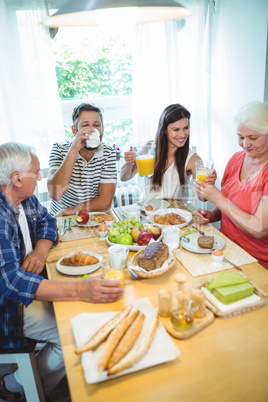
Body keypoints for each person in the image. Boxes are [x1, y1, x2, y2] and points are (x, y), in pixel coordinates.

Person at [0, 142, 124, 401]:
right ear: (17, 178)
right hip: (9, 306)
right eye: (36, 172)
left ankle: (28, 385)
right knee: (73, 332)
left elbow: (48, 220)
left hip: (32, 283)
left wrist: (41, 251)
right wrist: (80, 290)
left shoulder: (24, 197)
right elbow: (11, 283)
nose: (40, 176)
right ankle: (21, 388)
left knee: (81, 314)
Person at [194, 101, 268, 268]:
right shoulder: (236, 159)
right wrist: (212, 215)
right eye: (240, 137)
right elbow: (232, 206)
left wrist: (218, 199)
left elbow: (259, 229)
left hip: (257, 263)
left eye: (253, 138)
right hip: (224, 249)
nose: (245, 144)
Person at [121, 104, 216, 203]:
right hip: (149, 212)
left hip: (176, 215)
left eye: (186, 128)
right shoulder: (150, 148)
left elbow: (202, 198)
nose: (183, 134)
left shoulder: (192, 159)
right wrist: (129, 162)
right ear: (165, 130)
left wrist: (209, 184)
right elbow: (124, 177)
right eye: (176, 129)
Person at [47, 103, 117, 217]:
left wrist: (67, 212)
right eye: (85, 125)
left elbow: (104, 202)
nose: (92, 130)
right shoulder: (59, 149)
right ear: (74, 130)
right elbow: (56, 193)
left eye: (97, 125)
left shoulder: (108, 153)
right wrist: (73, 150)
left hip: (90, 218)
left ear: (102, 129)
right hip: (63, 221)